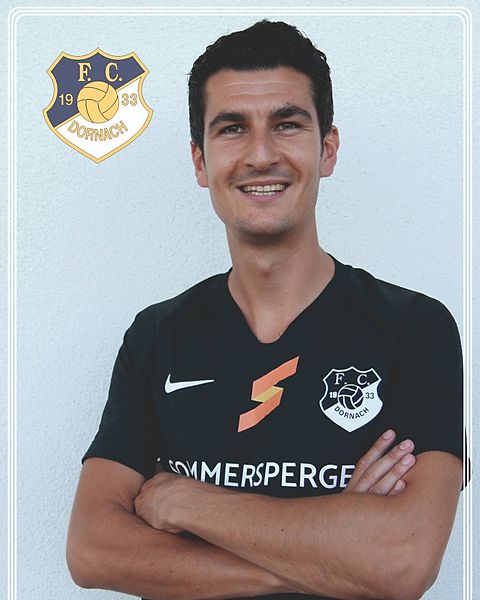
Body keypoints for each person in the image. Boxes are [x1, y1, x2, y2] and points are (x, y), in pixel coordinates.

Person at [67, 20, 464, 600]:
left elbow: (402, 561)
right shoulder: (157, 336)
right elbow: (93, 550)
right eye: (232, 129)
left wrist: (188, 502)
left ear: (326, 149)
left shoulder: (415, 329)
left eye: (287, 124)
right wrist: (338, 553)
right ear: (200, 162)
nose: (260, 154)